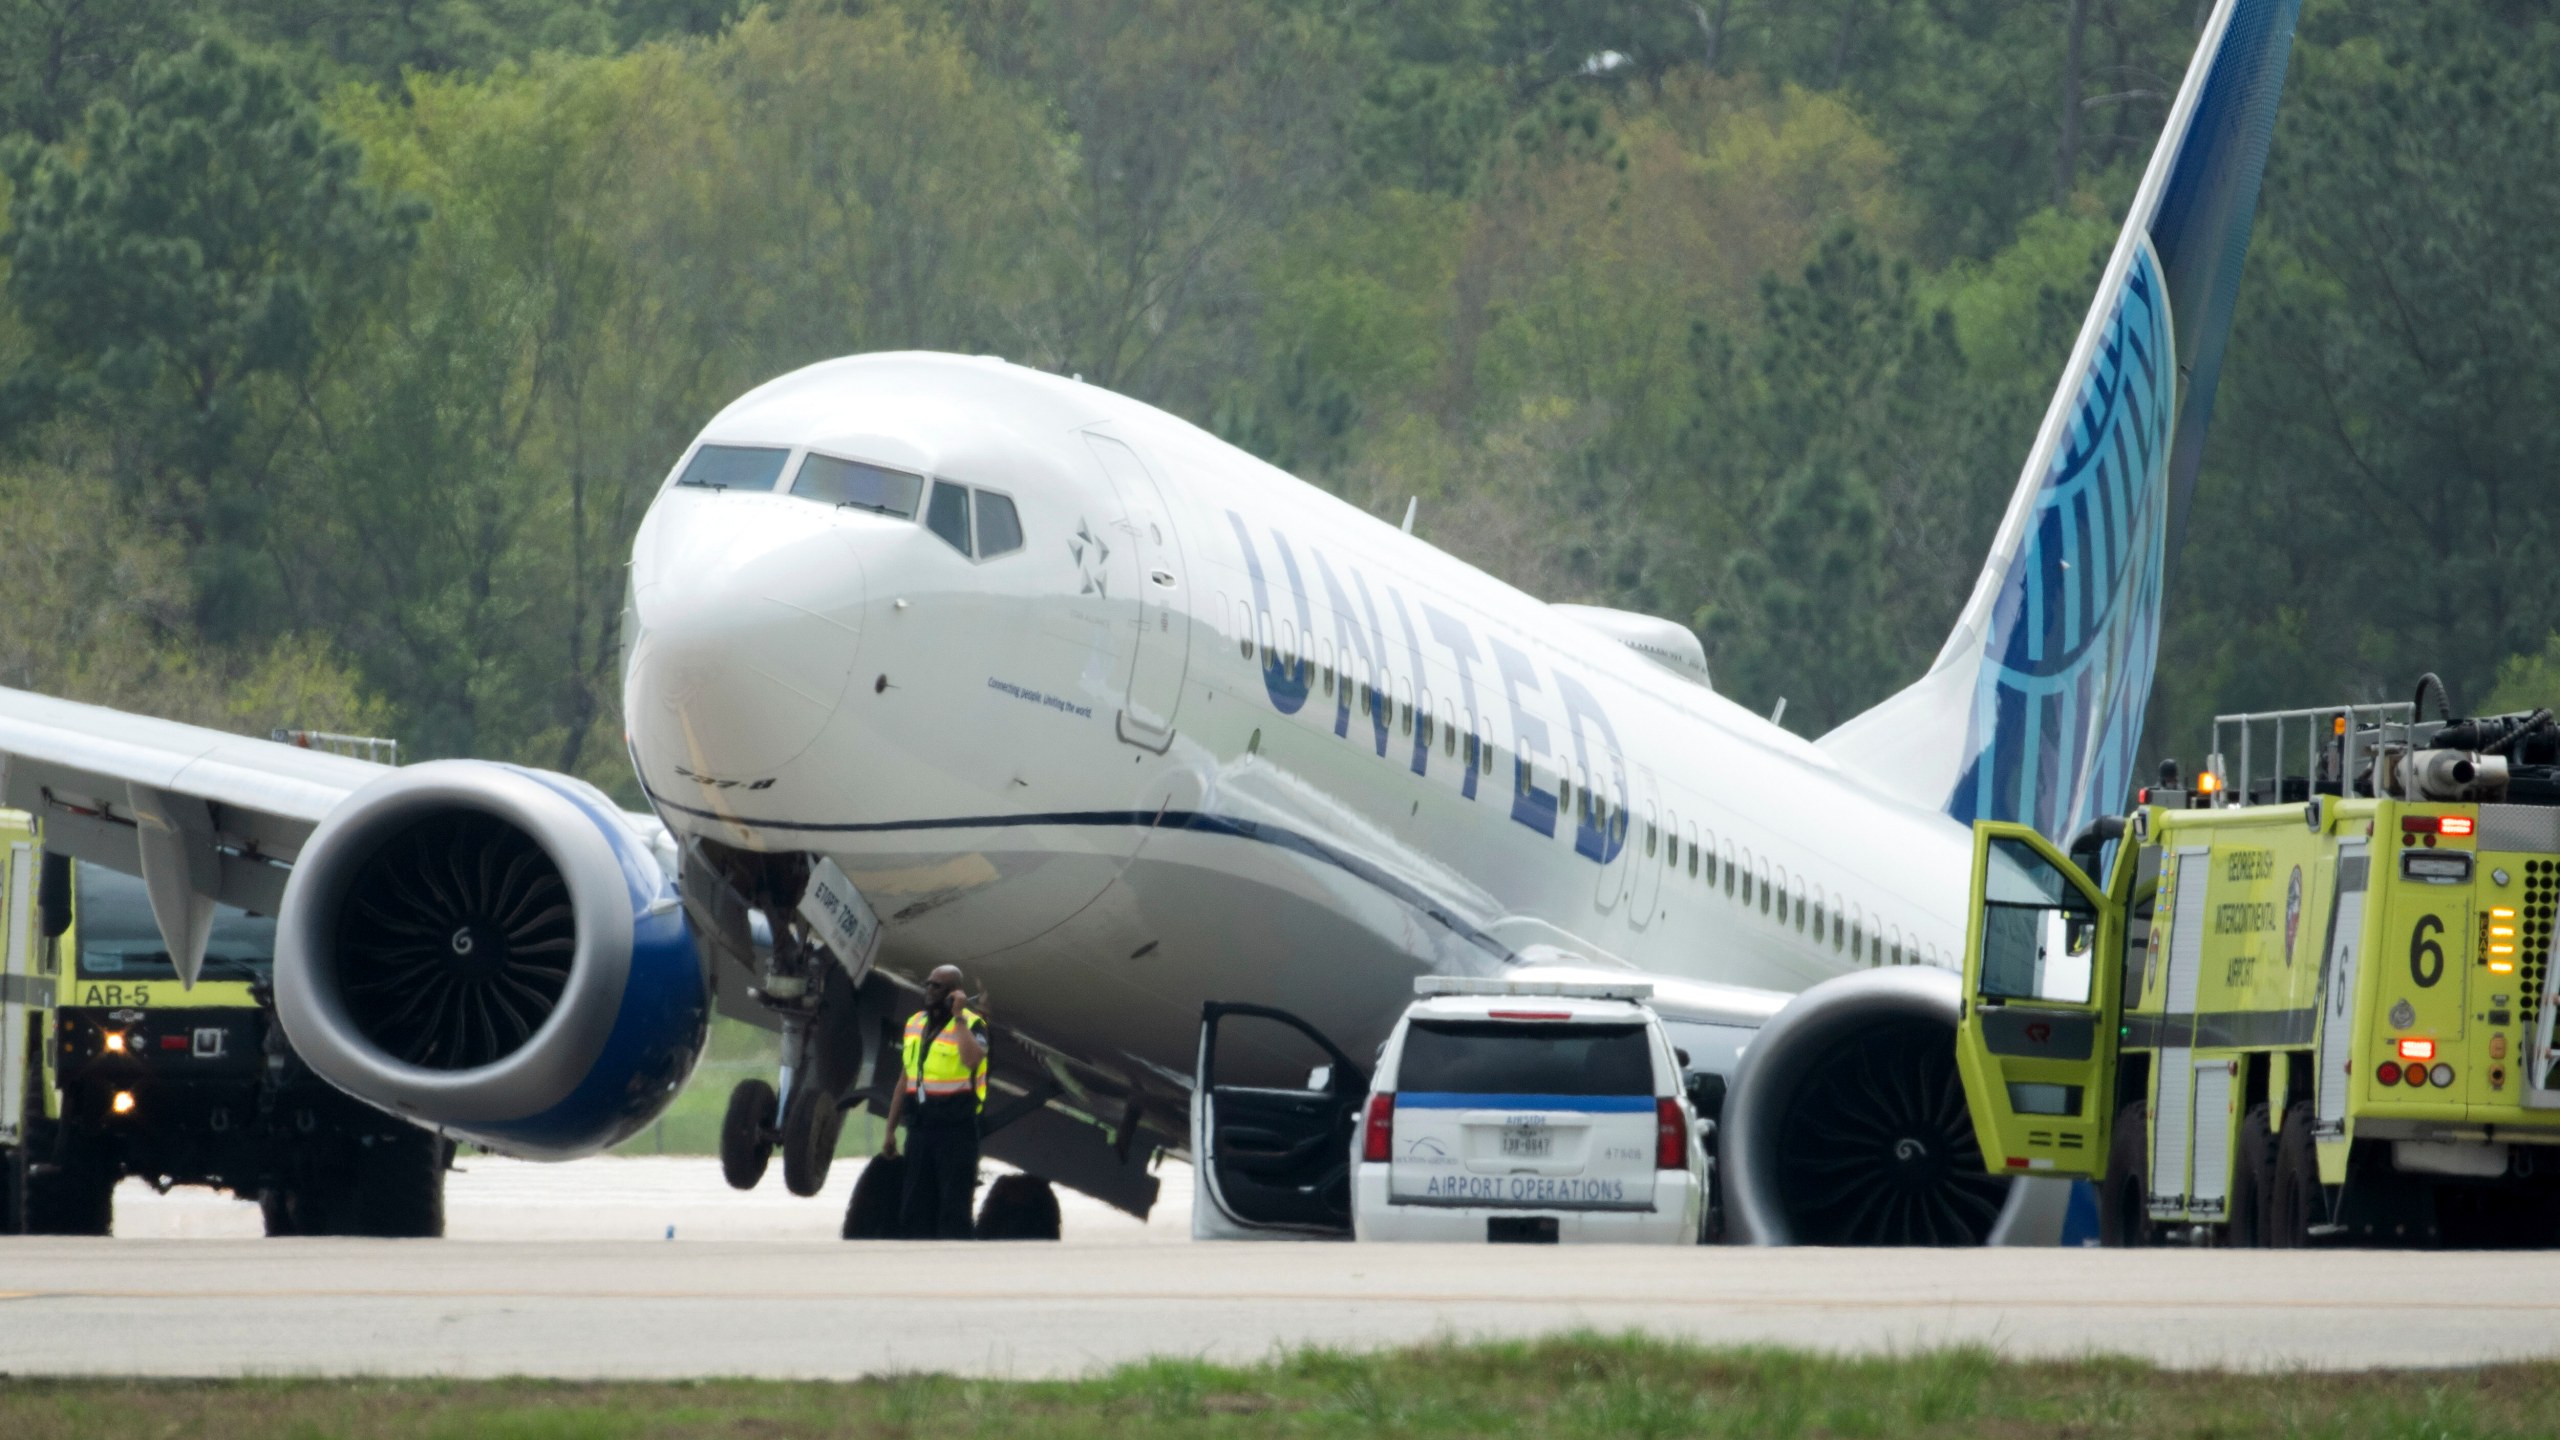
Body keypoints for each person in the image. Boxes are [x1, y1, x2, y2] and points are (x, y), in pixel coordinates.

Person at [878, 965, 988, 1239]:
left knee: (954, 1211)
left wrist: (959, 1016)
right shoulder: (915, 1024)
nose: (928, 990)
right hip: (920, 1128)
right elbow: (905, 1079)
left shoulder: (972, 1024)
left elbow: (972, 1059)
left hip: (956, 1130)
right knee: (914, 1208)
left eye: (936, 986)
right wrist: (890, 1129)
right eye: (928, 984)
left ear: (954, 992)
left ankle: (953, 1273)